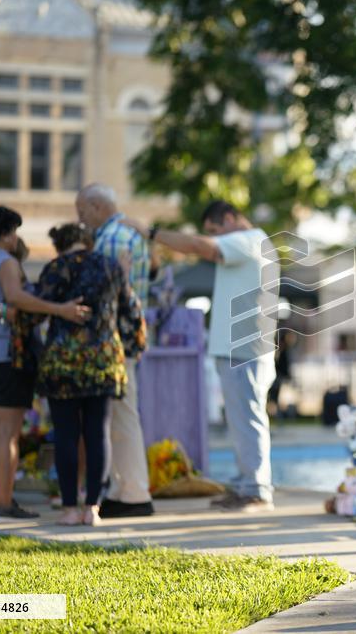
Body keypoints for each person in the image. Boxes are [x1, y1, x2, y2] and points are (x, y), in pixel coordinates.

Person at [120, 200, 276, 512]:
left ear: (230, 219)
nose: (214, 239)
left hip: (243, 347)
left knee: (248, 418)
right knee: (241, 419)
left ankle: (257, 491)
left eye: (216, 231)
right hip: (238, 346)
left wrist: (149, 232)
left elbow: (194, 246)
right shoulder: (250, 243)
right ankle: (247, 485)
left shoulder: (248, 240)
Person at [0, 206, 89, 524]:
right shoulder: (6, 263)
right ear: (5, 234)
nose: (16, 238)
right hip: (5, 354)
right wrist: (58, 309)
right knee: (7, 433)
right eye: (14, 231)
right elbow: (17, 302)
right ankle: (3, 505)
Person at [36, 223, 146, 525]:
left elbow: (35, 311)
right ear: (88, 242)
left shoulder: (55, 268)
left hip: (63, 362)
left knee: (66, 435)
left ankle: (70, 508)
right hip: (102, 361)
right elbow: (132, 312)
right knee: (98, 434)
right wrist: (134, 347)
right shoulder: (111, 267)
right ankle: (93, 508)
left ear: (61, 245)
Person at [76, 183, 154, 518]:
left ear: (96, 207)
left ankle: (133, 492)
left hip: (112, 341)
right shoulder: (131, 235)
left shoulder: (109, 240)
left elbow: (103, 294)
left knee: (121, 417)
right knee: (122, 416)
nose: (80, 220)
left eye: (82, 212)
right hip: (129, 338)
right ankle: (127, 490)